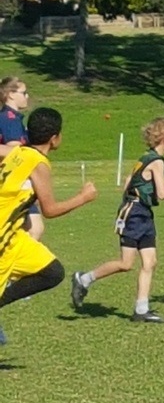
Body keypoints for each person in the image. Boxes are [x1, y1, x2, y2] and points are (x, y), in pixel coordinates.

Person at [0, 108, 97, 345]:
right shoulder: (38, 163)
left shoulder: (18, 152)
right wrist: (83, 197)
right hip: (3, 237)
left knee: (52, 272)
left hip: (14, 237)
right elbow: (50, 210)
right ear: (55, 138)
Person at [70, 118, 164, 323]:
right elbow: (163, 193)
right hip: (134, 214)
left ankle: (141, 309)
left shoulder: (144, 157)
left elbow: (128, 182)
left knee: (150, 261)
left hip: (142, 212)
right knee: (125, 263)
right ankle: (83, 279)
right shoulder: (156, 161)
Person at [0, 77, 45, 240]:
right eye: (24, 93)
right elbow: (13, 151)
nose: (27, 96)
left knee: (31, 230)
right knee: (34, 230)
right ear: (11, 94)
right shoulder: (9, 119)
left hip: (18, 184)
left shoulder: (14, 118)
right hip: (13, 185)